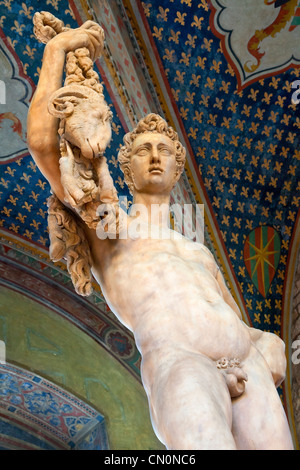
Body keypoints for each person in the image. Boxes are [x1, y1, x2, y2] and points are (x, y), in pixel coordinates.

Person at [27, 22, 294, 450]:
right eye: (143, 150)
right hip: (180, 361)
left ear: (178, 167)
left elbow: (234, 317)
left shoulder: (198, 250)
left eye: (164, 150)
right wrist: (57, 50)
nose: (154, 157)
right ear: (126, 168)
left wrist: (271, 340)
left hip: (246, 362)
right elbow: (43, 144)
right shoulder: (109, 224)